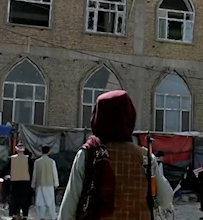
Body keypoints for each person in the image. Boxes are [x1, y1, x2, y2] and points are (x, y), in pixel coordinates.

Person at [57, 90, 173, 220]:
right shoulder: (145, 157)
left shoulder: (88, 155)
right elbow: (165, 199)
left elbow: (68, 210)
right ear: (129, 116)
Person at [32, 144, 59, 220]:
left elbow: (35, 174)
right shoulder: (52, 162)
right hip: (49, 184)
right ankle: (53, 217)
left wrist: (33, 184)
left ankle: (41, 217)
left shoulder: (37, 162)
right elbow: (54, 173)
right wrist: (56, 183)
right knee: (51, 202)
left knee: (41, 202)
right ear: (49, 151)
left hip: (40, 184)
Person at [7, 142, 32, 220]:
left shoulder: (11, 159)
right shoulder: (28, 159)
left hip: (15, 182)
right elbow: (31, 171)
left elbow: (7, 170)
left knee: (14, 199)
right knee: (25, 199)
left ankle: (14, 214)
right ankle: (25, 215)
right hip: (26, 182)